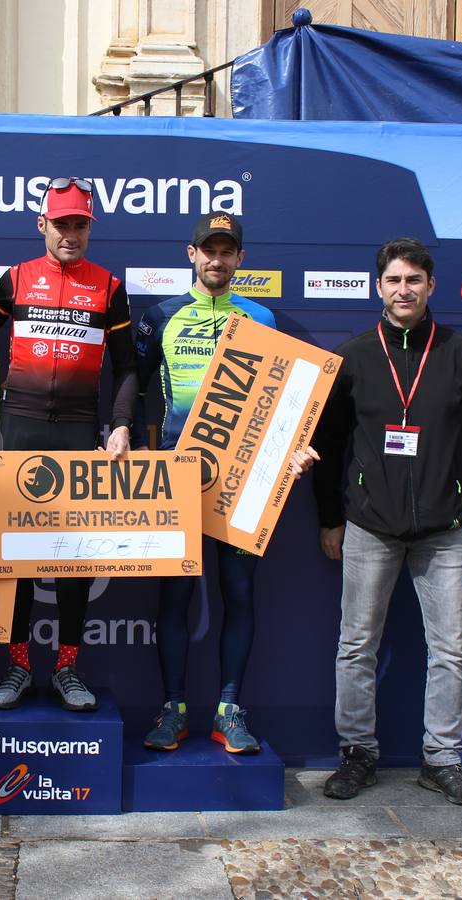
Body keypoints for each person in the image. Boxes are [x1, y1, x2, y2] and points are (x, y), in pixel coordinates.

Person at [310, 237, 462, 806]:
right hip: (369, 526)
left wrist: (446, 480)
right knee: (356, 645)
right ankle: (357, 754)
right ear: (379, 287)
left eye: (413, 280)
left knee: (451, 650)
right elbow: (330, 441)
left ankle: (442, 759)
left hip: (446, 531)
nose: (403, 290)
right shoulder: (355, 356)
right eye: (393, 280)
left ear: (430, 286)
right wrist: (331, 519)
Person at [134, 212, 317, 754]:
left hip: (243, 479)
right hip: (176, 477)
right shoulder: (161, 316)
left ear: (240, 258)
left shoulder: (261, 317)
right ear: (190, 255)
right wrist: (139, 445)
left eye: (227, 251)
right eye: (208, 250)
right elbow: (132, 386)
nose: (217, 260)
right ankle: (173, 708)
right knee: (176, 594)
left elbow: (286, 395)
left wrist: (293, 448)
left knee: (239, 592)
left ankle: (230, 709)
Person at [0, 176, 138, 713]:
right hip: (20, 424)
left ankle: (68, 666)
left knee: (74, 558)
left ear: (88, 228)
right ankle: (19, 665)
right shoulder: (17, 278)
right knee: (17, 556)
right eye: (61, 223)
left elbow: (128, 366)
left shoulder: (109, 285)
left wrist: (120, 425)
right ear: (42, 224)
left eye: (80, 224)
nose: (70, 233)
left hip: (77, 428)